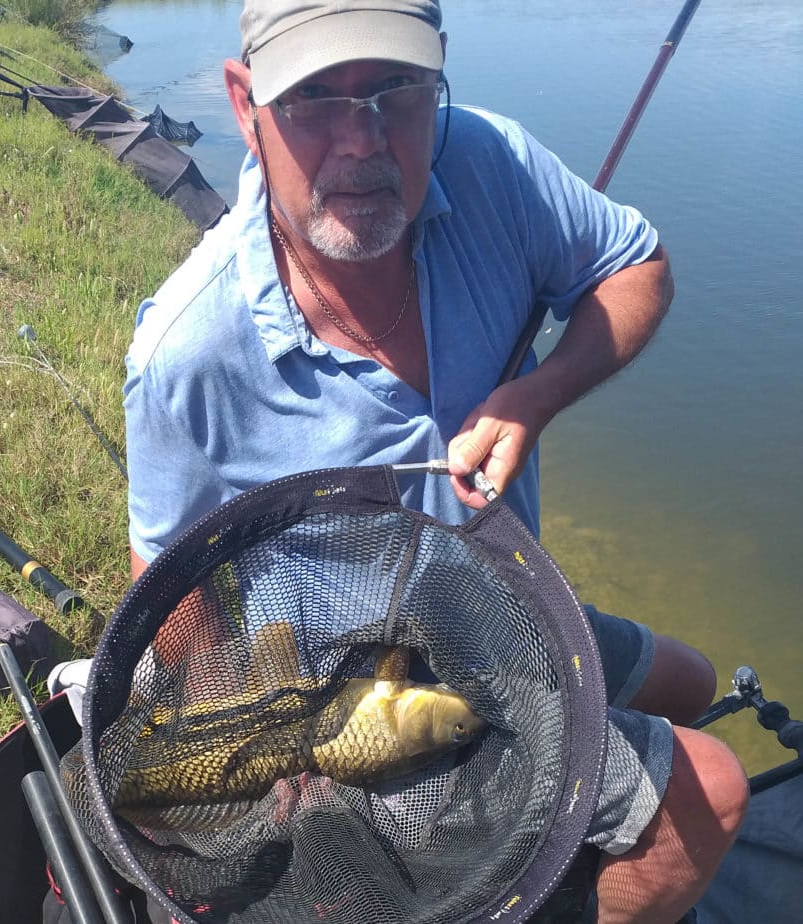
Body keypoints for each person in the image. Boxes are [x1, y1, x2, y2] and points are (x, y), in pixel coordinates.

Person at [122, 0, 749, 920]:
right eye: (313, 100)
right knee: (713, 790)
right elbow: (166, 573)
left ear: (439, 76)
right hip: (355, 690)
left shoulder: (489, 162)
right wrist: (264, 752)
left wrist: (533, 395)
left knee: (690, 683)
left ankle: (575, 841)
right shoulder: (187, 354)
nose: (361, 140)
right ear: (244, 104)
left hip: (507, 614)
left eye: (394, 91)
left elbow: (636, 265)